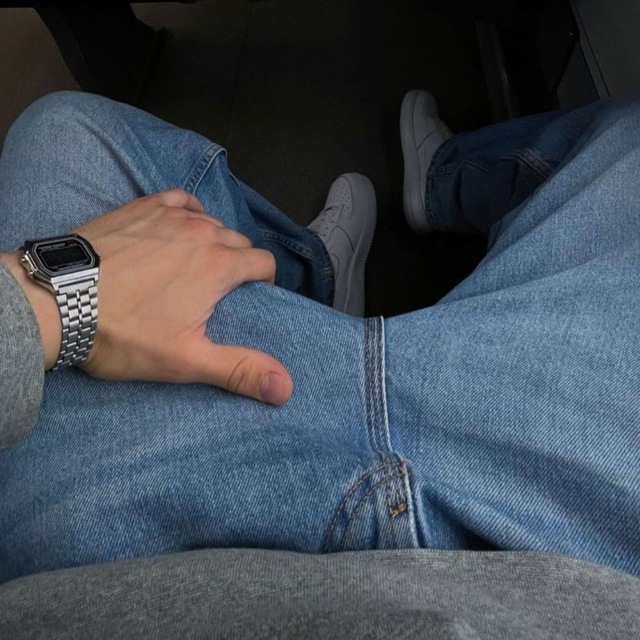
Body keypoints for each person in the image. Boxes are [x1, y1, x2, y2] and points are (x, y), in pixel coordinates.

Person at [0, 89, 640, 638]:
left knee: (68, 134)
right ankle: (444, 181)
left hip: (85, 578)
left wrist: (41, 301)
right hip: (577, 563)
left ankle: (311, 281)